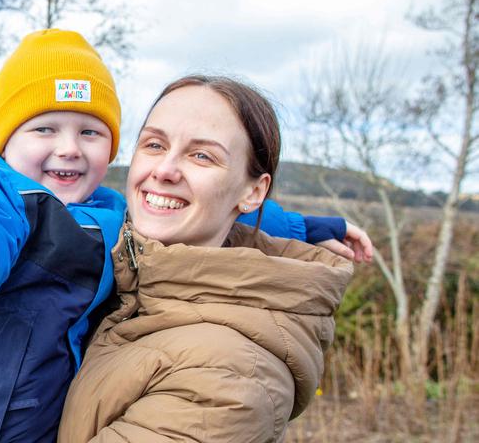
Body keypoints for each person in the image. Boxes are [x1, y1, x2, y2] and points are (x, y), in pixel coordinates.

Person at [0, 31, 365, 442]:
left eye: (89, 132)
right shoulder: (0, 195)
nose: (69, 148)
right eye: (45, 129)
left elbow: (231, 214)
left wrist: (316, 227)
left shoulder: (107, 212)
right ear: (5, 141)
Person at [57, 75, 361, 442]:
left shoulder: (229, 381)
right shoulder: (123, 275)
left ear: (253, 192)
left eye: (202, 155)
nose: (164, 170)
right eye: (154, 144)